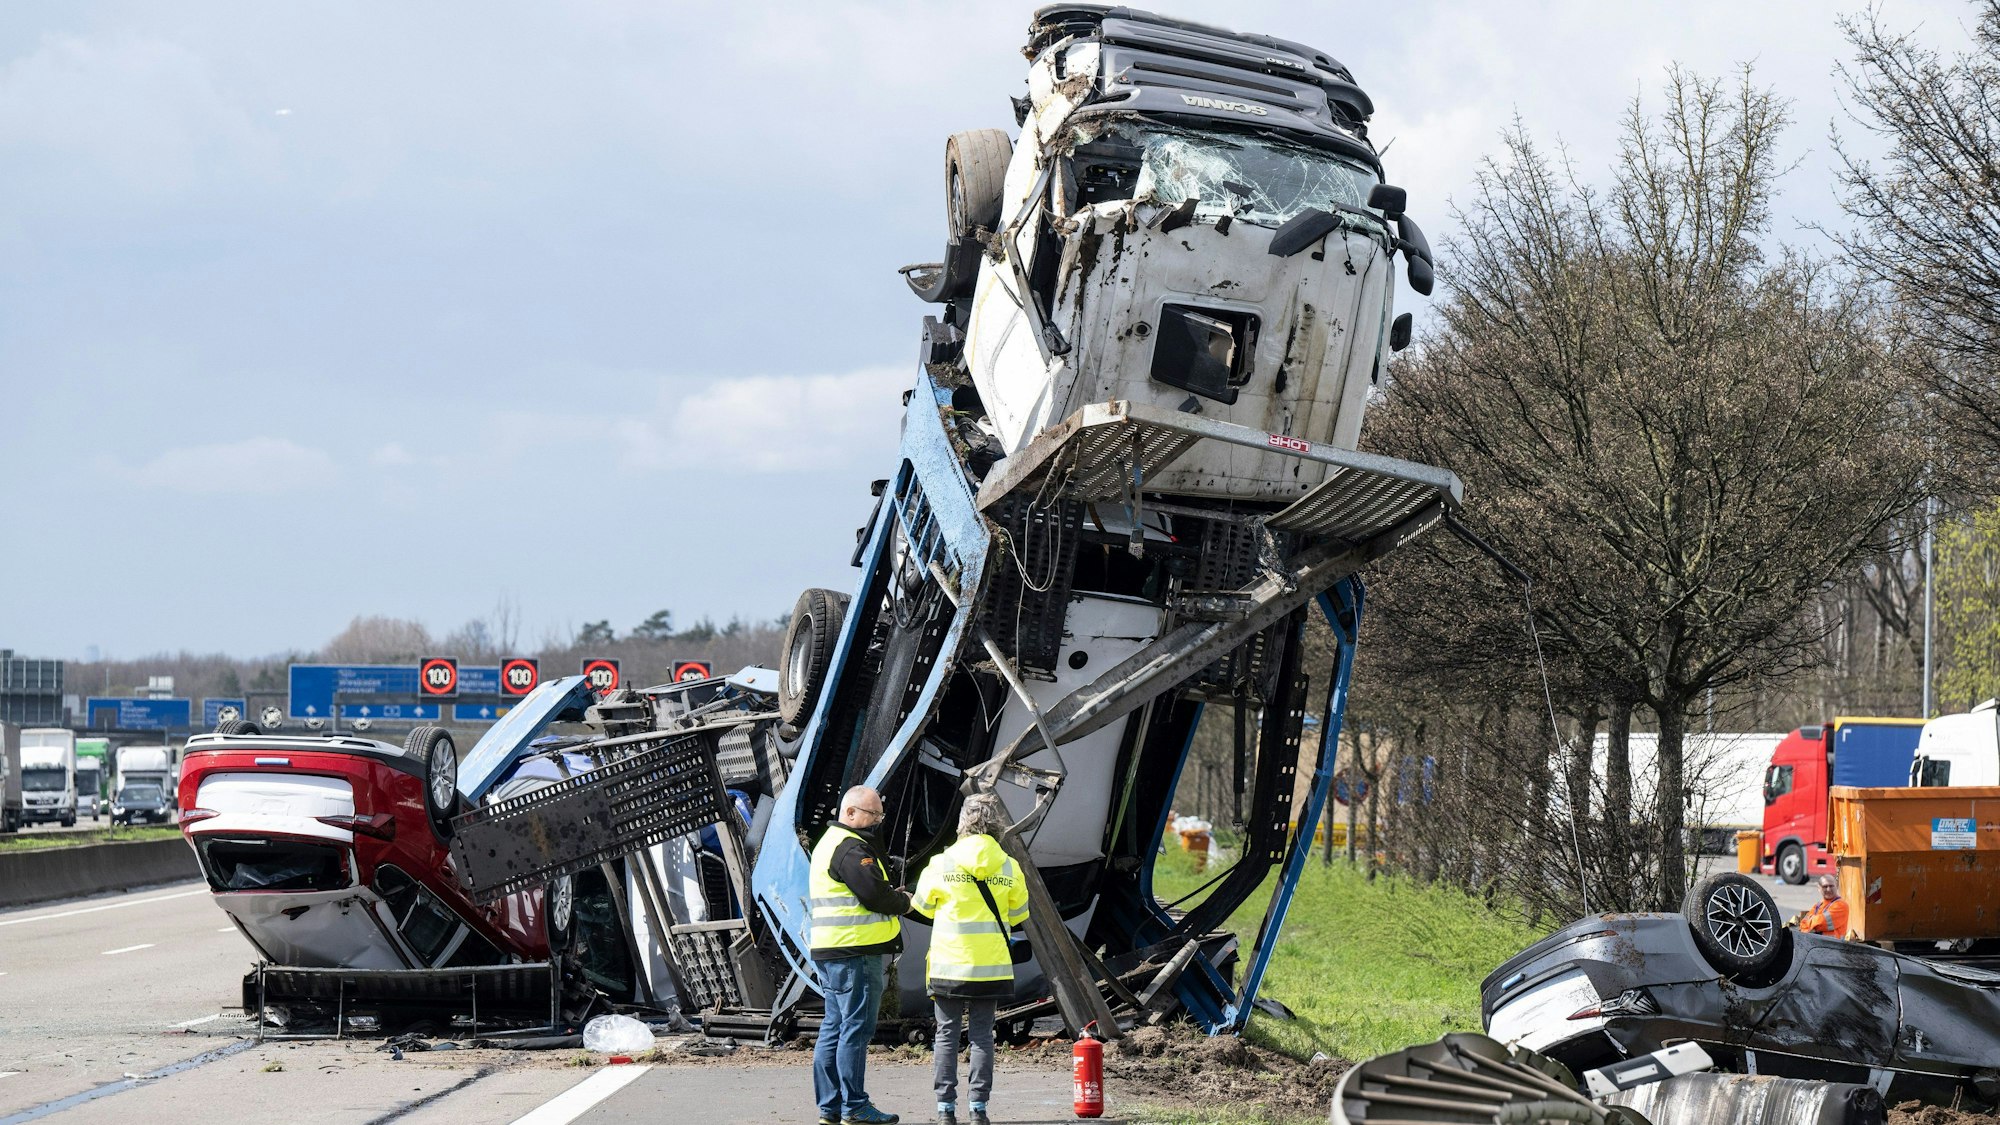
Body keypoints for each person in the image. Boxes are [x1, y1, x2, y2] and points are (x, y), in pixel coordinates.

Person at [909, 794, 1030, 1125]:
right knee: (982, 1036)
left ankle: (945, 1109)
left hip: (949, 966)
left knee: (946, 1034)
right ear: (995, 826)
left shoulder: (941, 863)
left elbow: (921, 907)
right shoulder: (1009, 866)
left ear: (961, 823)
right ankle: (978, 1108)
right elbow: (1019, 913)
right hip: (991, 968)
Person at [811, 785, 912, 1125]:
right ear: (851, 813)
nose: (877, 823)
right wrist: (904, 901)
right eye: (874, 815)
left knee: (834, 1027)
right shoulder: (851, 848)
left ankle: (830, 1108)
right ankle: (855, 1106)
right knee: (855, 1029)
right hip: (855, 951)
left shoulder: (828, 844)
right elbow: (875, 897)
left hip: (831, 949)